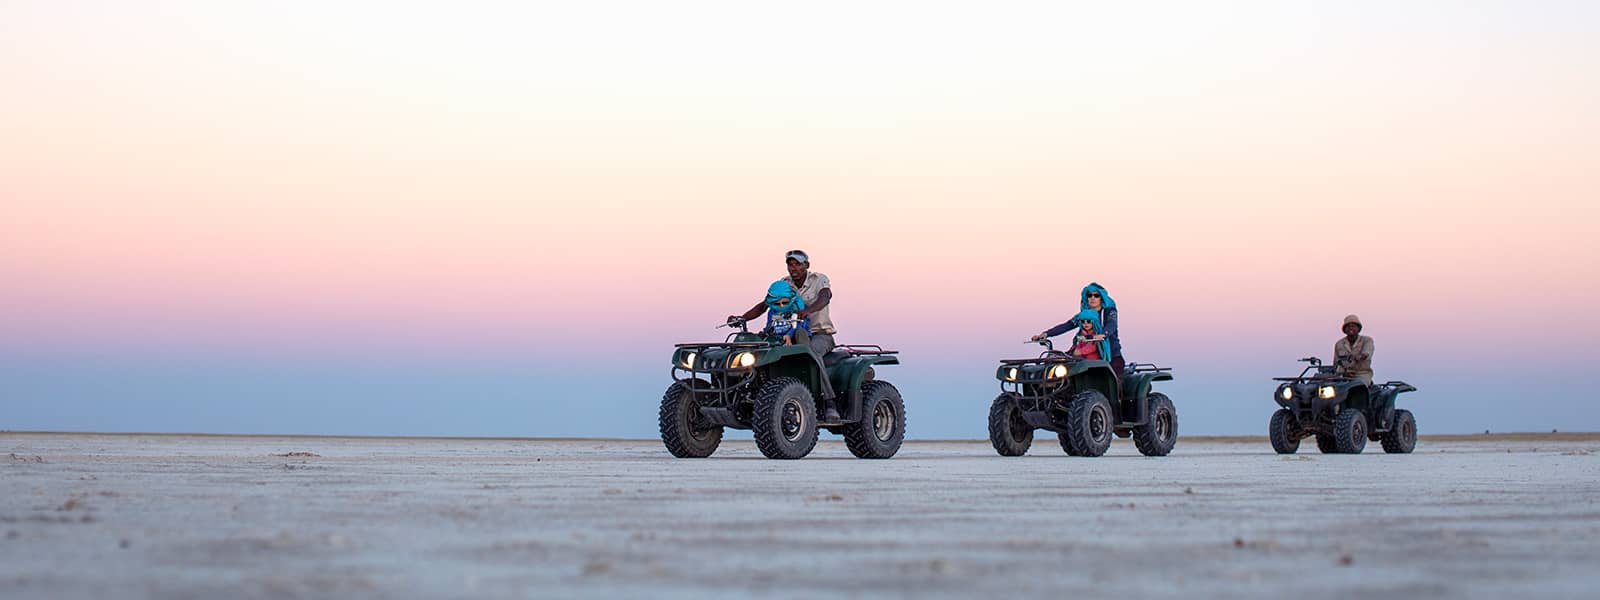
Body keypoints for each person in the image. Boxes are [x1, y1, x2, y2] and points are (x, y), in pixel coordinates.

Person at [730, 250, 836, 357]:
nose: (793, 268)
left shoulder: (818, 280)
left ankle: (818, 367)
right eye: (790, 265)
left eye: (798, 264)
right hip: (787, 334)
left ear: (807, 265)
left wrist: (807, 311)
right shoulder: (784, 283)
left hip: (818, 334)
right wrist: (741, 318)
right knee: (759, 352)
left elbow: (824, 298)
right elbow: (764, 305)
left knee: (809, 354)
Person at [1033, 282, 1125, 373]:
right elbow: (1067, 325)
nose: (1093, 298)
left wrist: (1103, 334)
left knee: (1110, 377)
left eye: (1096, 295)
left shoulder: (1109, 311)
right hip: (1087, 357)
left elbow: (1112, 324)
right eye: (1089, 295)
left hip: (1111, 355)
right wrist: (1046, 334)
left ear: (1101, 298)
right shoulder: (1084, 315)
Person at [762, 280, 811, 346]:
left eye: (784, 302)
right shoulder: (772, 312)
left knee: (800, 332)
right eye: (777, 304)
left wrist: (789, 335)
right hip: (779, 339)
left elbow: (799, 325)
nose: (781, 306)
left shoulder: (798, 307)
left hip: (796, 337)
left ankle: (804, 351)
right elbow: (769, 325)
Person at [1334, 314, 1375, 385]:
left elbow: (1367, 353)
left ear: (1358, 328)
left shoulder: (1367, 340)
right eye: (1348, 326)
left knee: (1358, 386)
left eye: (1353, 326)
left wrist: (1360, 356)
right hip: (1344, 375)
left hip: (1362, 374)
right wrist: (1343, 372)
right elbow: (1336, 363)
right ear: (1345, 329)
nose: (1351, 328)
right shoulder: (1339, 344)